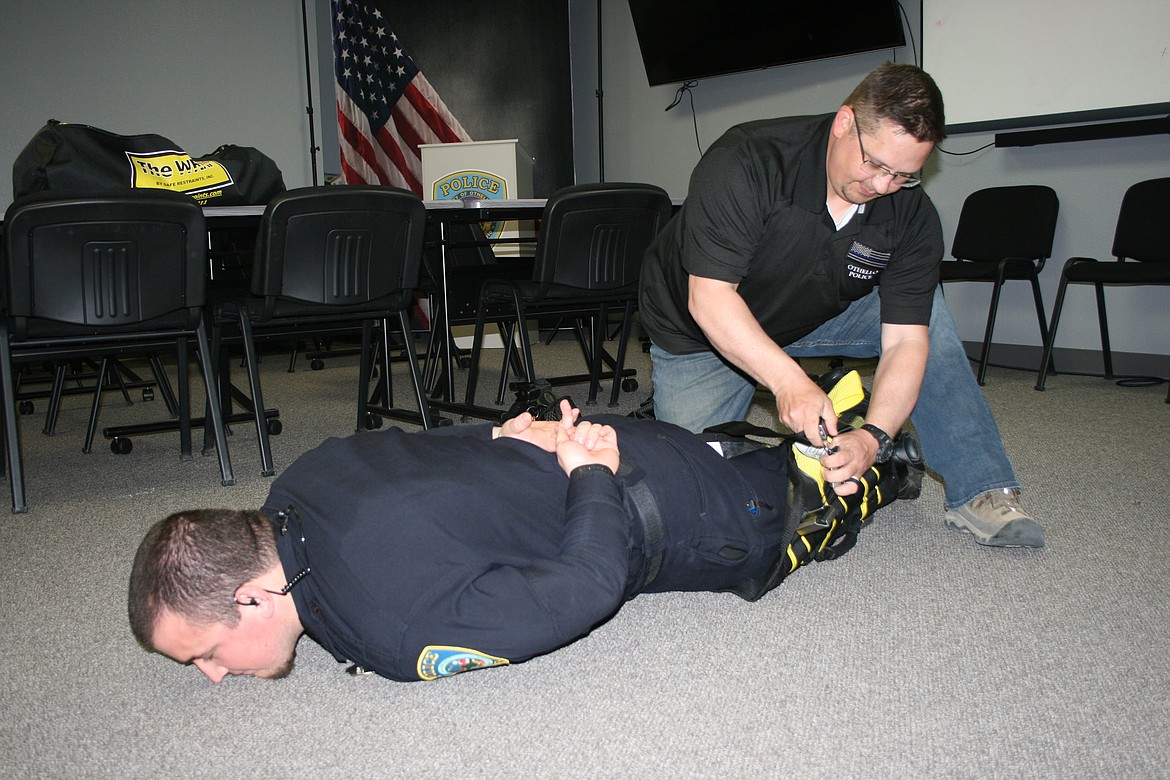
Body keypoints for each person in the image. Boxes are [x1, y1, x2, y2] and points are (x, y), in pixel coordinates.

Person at [128, 390, 919, 684]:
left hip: (662, 505)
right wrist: (520, 439)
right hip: (620, 432)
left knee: (789, 527)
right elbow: (451, 441)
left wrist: (592, 478)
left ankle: (883, 466)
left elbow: (590, 586)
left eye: (203, 653)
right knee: (747, 459)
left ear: (251, 595)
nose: (212, 676)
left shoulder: (395, 629)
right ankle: (774, 447)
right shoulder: (301, 478)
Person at [637, 62, 1043, 549]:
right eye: (874, 164)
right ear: (844, 122)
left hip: (814, 313)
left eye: (904, 175)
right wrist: (790, 381)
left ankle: (980, 488)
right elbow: (710, 297)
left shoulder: (908, 211)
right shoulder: (747, 161)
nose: (883, 186)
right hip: (701, 330)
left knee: (927, 315)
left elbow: (907, 340)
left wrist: (874, 438)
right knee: (688, 497)